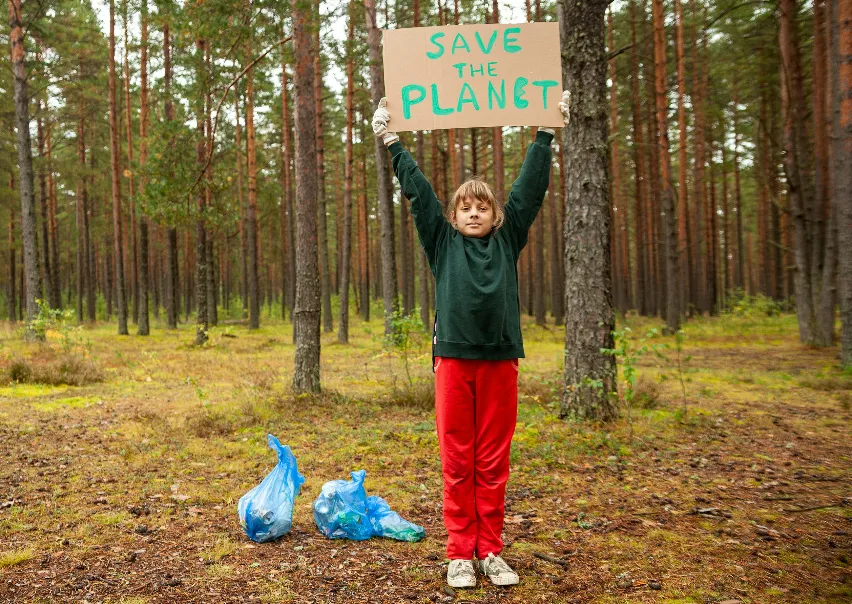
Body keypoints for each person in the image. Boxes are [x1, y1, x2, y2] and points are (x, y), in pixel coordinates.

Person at [371, 92, 571, 589]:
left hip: (501, 361)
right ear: (456, 217)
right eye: (466, 207)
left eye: (483, 206)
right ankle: (460, 552)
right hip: (454, 361)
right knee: (458, 458)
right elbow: (421, 196)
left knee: (492, 459)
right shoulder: (441, 243)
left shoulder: (508, 239)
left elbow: (528, 190)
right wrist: (393, 142)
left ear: (495, 215)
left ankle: (491, 551)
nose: (475, 213)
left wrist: (545, 134)